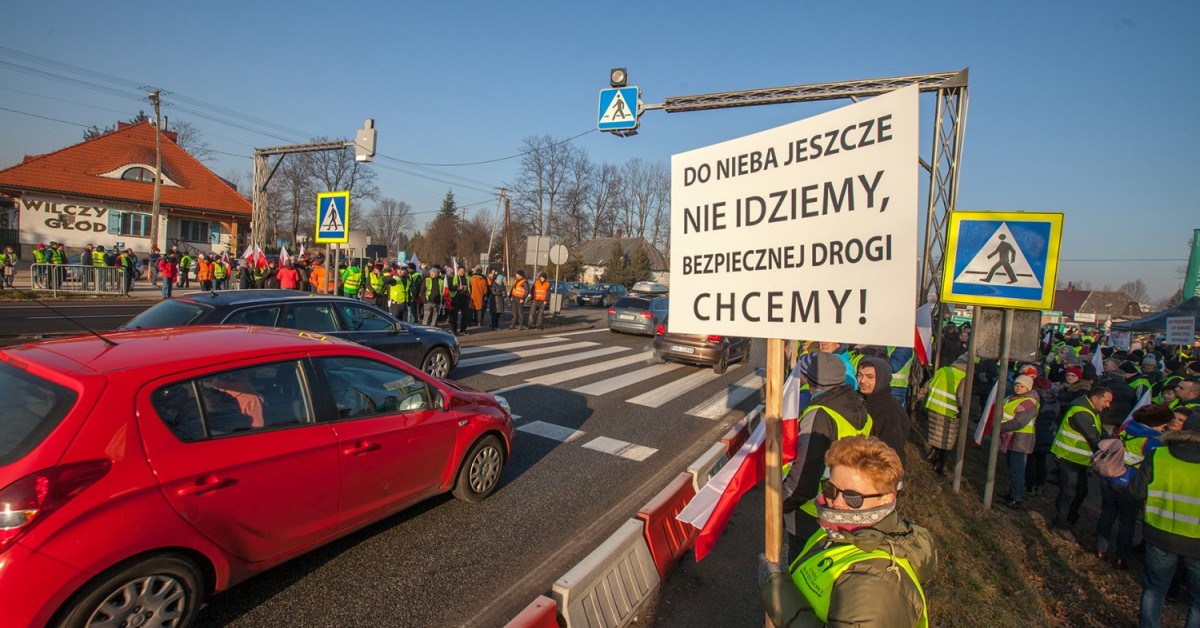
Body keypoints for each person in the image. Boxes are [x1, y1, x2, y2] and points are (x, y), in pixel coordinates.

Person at [761, 436, 935, 627]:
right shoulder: (838, 530)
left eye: (853, 497)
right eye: (831, 489)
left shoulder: (878, 582)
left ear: (886, 499)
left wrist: (776, 588)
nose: (836, 502)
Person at [782, 353, 873, 555]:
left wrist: (781, 504)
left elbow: (805, 476)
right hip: (846, 507)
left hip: (810, 511)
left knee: (800, 565)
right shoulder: (860, 410)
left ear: (811, 381)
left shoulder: (819, 415)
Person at [1130, 414, 1200, 627]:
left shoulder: (1158, 454)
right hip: (1197, 543)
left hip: (1160, 534)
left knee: (1154, 590)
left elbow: (1136, 491)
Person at [1095, 404, 1173, 571]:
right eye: (1163, 424)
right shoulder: (1152, 442)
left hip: (1109, 476)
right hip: (1130, 483)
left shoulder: (1126, 429)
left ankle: (1100, 548)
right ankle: (1121, 557)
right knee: (1127, 522)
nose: (1164, 427)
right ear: (1156, 423)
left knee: (1107, 513)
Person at [1049, 386, 1113, 541]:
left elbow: (1100, 432)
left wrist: (1110, 442)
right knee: (1070, 493)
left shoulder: (1091, 410)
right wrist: (1111, 451)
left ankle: (1068, 519)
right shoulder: (1082, 412)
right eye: (1106, 401)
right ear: (1095, 398)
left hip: (1078, 460)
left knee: (1080, 491)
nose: (1108, 405)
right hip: (1068, 458)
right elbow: (1094, 438)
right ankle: (1060, 525)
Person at [856, 356, 910, 470]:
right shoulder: (860, 399)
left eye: (870, 377)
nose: (862, 381)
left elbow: (893, 453)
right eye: (860, 375)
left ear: (882, 379)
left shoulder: (890, 412)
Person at [998, 375, 1040, 509]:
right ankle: (1012, 493)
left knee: (1017, 471)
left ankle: (1016, 498)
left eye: (1022, 386)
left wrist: (998, 427)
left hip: (1020, 440)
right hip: (1010, 438)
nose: (1018, 388)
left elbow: (1019, 422)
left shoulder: (1030, 403)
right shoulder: (1012, 397)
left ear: (1028, 388)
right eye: (1017, 385)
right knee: (1012, 469)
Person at [923, 353, 969, 474]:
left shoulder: (943, 370)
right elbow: (961, 396)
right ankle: (940, 464)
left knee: (935, 433)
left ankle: (933, 454)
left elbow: (928, 384)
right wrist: (963, 411)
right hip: (950, 412)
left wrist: (919, 396)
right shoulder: (964, 377)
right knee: (946, 439)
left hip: (934, 406)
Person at [1026, 375, 1061, 497]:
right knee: (1041, 462)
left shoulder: (1037, 400)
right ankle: (1039, 486)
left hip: (1034, 434)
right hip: (1048, 435)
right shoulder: (1055, 400)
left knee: (1031, 461)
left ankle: (1030, 485)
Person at [447, 266, 471, 335]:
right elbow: (449, 287)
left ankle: (463, 330)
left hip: (465, 298)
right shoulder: (453, 278)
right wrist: (457, 288)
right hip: (456, 298)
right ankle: (453, 329)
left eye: (463, 270)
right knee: (454, 315)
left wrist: (468, 293)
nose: (462, 272)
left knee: (465, 315)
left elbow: (470, 287)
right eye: (460, 270)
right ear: (457, 271)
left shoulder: (467, 278)